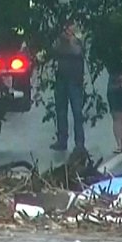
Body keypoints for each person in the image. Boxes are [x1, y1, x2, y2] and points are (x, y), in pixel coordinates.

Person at [50, 20, 86, 152]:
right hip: (61, 78)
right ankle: (62, 140)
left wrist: (71, 39)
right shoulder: (60, 40)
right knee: (61, 110)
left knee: (77, 111)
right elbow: (54, 49)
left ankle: (80, 142)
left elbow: (78, 52)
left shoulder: (78, 39)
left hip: (75, 79)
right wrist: (62, 39)